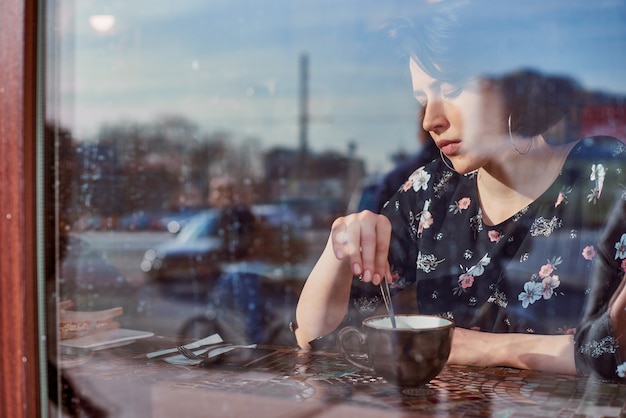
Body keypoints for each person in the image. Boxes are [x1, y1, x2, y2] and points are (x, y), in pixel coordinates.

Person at [295, 0, 626, 381]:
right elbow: (313, 338)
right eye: (422, 100)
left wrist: (484, 348)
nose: (430, 120)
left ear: (515, 84)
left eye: (451, 89)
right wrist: (338, 248)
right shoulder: (429, 194)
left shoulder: (605, 179)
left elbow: (616, 350)